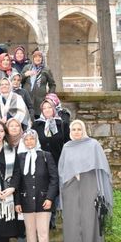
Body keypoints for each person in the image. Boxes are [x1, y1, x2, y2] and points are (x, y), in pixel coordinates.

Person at [58, 120, 114, 242]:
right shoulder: (67, 147)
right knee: (73, 215)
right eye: (74, 129)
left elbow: (101, 165)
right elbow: (62, 168)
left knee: (90, 214)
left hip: (89, 182)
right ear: (70, 132)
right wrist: (71, 175)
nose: (76, 132)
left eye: (79, 129)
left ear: (83, 130)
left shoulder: (93, 145)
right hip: (71, 184)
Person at [10, 129, 58, 242]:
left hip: (44, 200)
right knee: (30, 231)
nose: (29, 142)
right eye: (27, 140)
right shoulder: (20, 157)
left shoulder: (46, 156)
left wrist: (50, 197)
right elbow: (17, 181)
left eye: (32, 139)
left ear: (36, 140)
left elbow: (54, 179)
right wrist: (17, 201)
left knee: (43, 232)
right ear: (23, 142)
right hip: (26, 201)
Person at [32, 97, 70, 230]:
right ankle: (46, 219)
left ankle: (55, 217)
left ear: (54, 109)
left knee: (56, 188)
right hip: (42, 162)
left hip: (58, 160)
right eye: (44, 108)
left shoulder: (62, 124)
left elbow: (67, 143)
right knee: (44, 188)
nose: (47, 110)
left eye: (49, 108)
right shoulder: (37, 125)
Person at [5, 118, 27, 242]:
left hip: (23, 179)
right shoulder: (3, 142)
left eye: (16, 126)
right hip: (8, 179)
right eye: (11, 126)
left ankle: (21, 235)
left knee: (21, 208)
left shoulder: (26, 141)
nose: (14, 128)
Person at [23, 51, 57, 119]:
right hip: (27, 99)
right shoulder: (27, 68)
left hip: (41, 101)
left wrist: (50, 96)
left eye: (39, 57)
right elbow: (19, 80)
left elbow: (52, 84)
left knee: (40, 120)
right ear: (33, 58)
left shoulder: (46, 70)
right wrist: (25, 75)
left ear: (42, 58)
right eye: (35, 57)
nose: (37, 58)